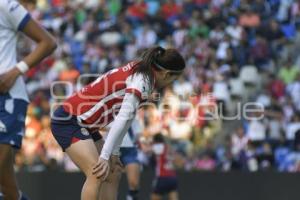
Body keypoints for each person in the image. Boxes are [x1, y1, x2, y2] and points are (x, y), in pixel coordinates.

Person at [50, 46, 186, 200]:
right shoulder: (142, 81)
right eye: (174, 79)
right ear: (167, 74)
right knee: (97, 172)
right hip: (70, 120)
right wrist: (105, 156)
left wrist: (113, 154)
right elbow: (122, 119)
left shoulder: (143, 71)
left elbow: (128, 119)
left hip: (86, 124)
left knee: (113, 172)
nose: (171, 83)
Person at [0, 0, 57, 199]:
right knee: (7, 186)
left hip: (7, 96)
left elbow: (48, 42)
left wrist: (16, 71)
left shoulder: (6, 6)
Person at [151, 133, 179, 200]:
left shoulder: (159, 146)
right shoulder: (170, 148)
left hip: (162, 177)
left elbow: (146, 150)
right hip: (172, 177)